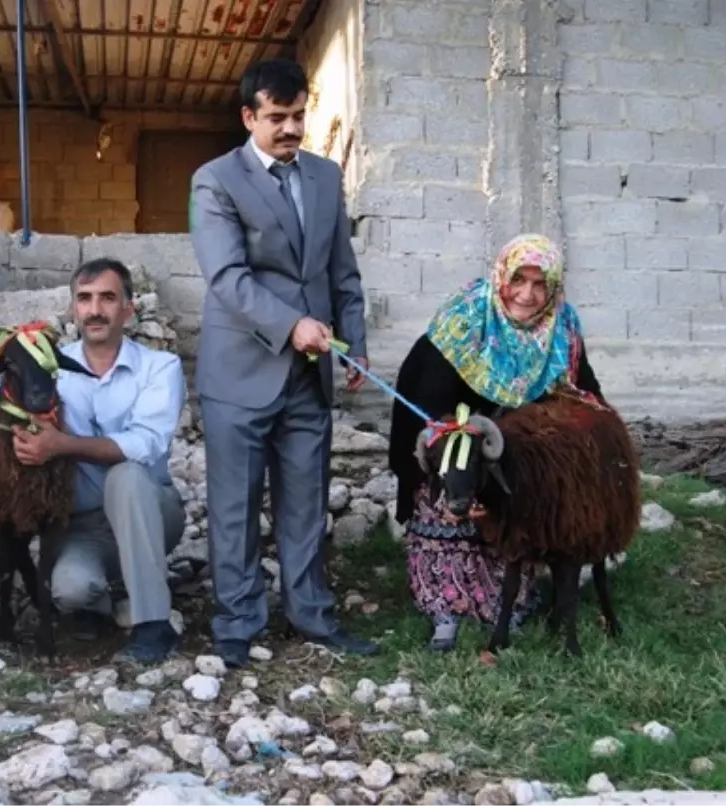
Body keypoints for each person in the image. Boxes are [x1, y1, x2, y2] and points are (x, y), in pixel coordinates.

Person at [188, 58, 376, 668]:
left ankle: (312, 615)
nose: (292, 128)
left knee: (306, 502)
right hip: (240, 371)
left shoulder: (325, 177)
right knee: (236, 506)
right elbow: (227, 277)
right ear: (250, 117)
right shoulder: (214, 180)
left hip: (310, 374)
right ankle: (239, 621)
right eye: (278, 117)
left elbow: (340, 270)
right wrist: (291, 324)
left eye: (299, 116)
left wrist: (355, 338)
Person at [388, 233, 605, 652]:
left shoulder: (561, 329)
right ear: (502, 277)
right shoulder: (466, 318)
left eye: (540, 284)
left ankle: (508, 603)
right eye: (518, 280)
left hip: (510, 459)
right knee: (450, 506)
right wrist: (451, 467)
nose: (527, 294)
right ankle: (444, 610)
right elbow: (429, 402)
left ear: (554, 287)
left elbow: (583, 393)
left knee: (514, 512)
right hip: (447, 447)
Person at [0, 258, 187, 663]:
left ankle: (153, 625)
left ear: (128, 308)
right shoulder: (52, 365)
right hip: (85, 524)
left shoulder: (161, 367)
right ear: (72, 309)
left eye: (107, 298)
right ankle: (114, 600)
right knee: (70, 590)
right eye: (84, 299)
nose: (95, 309)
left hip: (153, 510)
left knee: (125, 476)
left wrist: (62, 444)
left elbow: (145, 444)